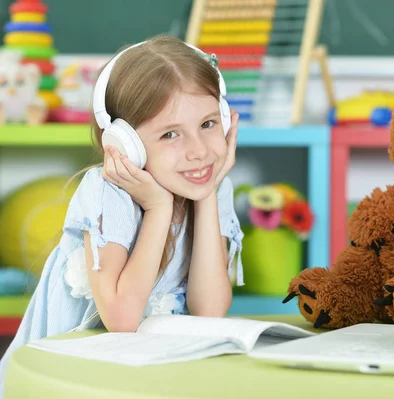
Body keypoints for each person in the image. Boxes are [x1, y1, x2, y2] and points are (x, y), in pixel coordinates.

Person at [0, 34, 244, 394]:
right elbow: (122, 320)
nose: (199, 151)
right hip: (73, 376)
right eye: (171, 134)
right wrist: (158, 208)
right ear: (124, 144)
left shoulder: (213, 185)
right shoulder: (108, 192)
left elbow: (209, 310)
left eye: (208, 124)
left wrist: (206, 196)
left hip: (146, 368)